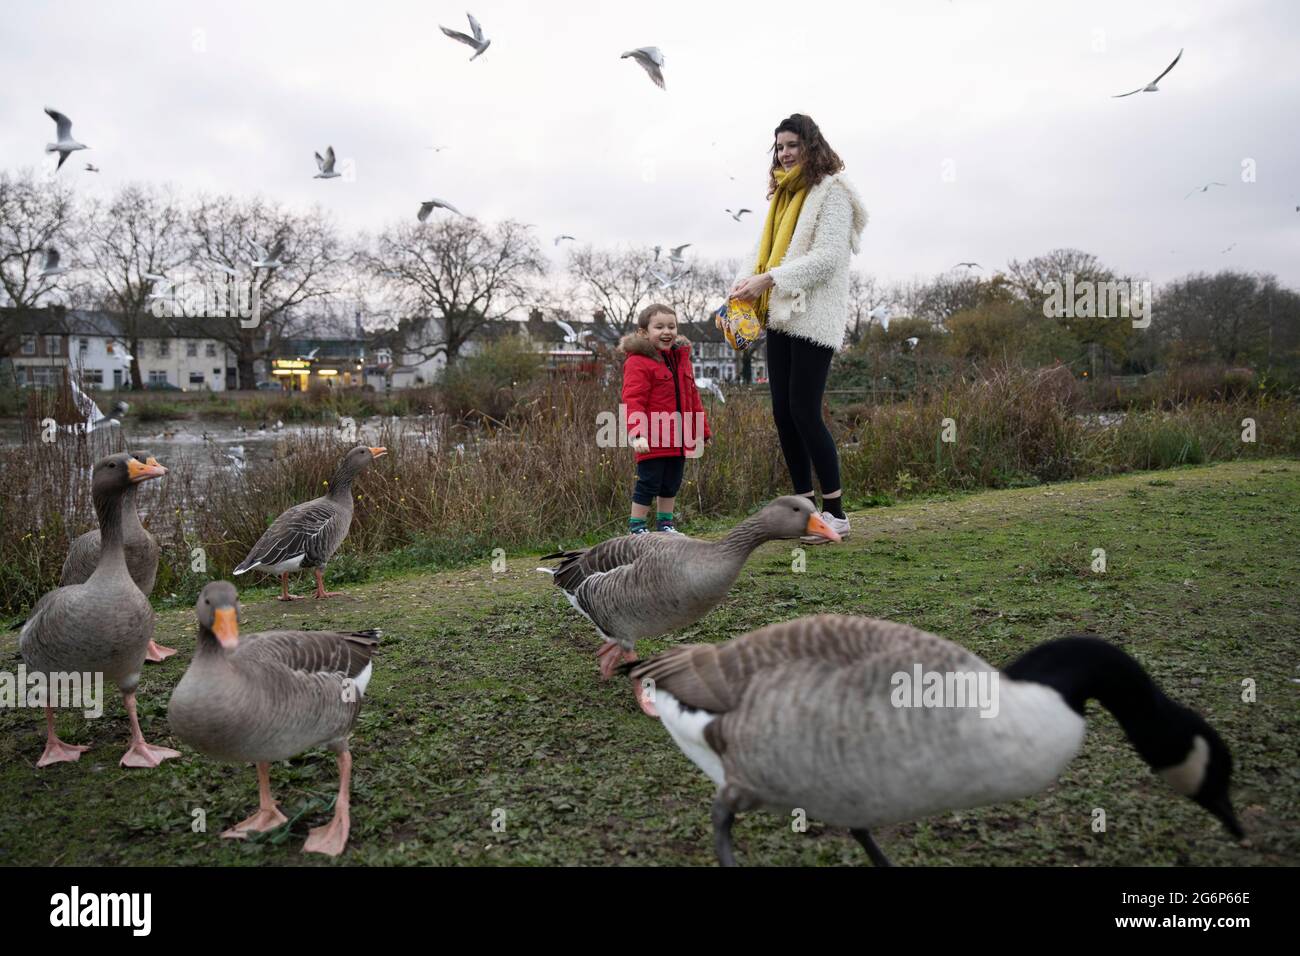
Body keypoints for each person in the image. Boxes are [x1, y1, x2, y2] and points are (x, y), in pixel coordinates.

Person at [729, 113, 868, 541]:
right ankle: (805, 511)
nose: (785, 154)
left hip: (814, 317)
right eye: (779, 147)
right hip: (780, 314)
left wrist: (769, 279)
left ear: (811, 145)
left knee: (806, 412)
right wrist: (744, 282)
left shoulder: (834, 194)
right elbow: (765, 250)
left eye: (792, 145)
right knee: (783, 415)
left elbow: (827, 258)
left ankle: (837, 513)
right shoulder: (783, 197)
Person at [619, 303, 711, 534]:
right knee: (649, 482)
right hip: (652, 438)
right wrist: (636, 434)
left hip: (678, 437)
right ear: (643, 332)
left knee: (671, 482)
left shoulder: (681, 360)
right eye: (659, 326)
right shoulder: (638, 362)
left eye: (671, 326)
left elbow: (693, 397)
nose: (666, 331)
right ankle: (637, 526)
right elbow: (633, 399)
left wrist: (702, 431)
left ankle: (665, 524)